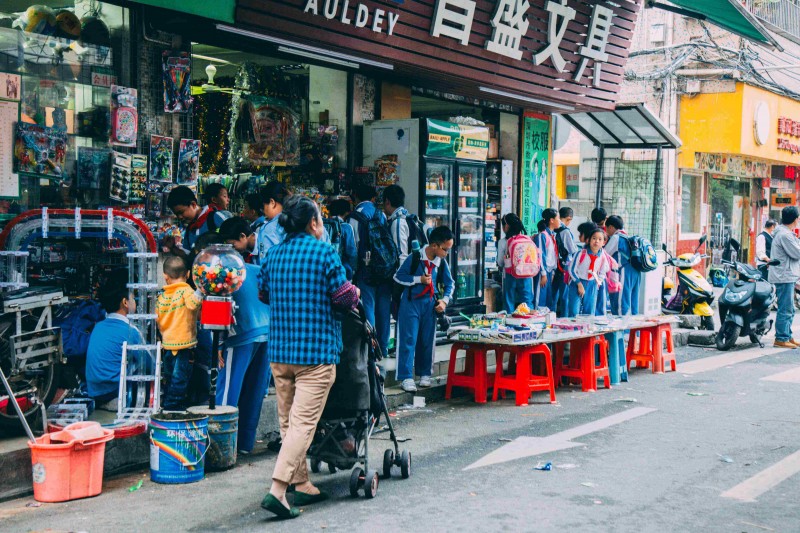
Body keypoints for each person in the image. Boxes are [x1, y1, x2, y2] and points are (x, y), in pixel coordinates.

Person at [258, 195, 359, 519]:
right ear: (314, 223)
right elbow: (344, 300)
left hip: (281, 352)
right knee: (302, 425)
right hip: (315, 354)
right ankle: (278, 489)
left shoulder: (273, 255)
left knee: (289, 423)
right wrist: (354, 292)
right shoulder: (324, 253)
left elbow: (264, 293)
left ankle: (301, 483)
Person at [217, 242, 271, 455]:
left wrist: (219, 345)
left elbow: (221, 312)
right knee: (254, 390)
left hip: (241, 336)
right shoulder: (256, 269)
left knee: (229, 390)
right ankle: (246, 444)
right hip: (267, 331)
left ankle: (221, 442)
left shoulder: (222, 275)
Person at [393, 226, 455, 392]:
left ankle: (425, 373)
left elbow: (450, 284)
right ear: (434, 245)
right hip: (410, 303)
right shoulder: (414, 257)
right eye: (445, 249)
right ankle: (406, 376)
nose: (447, 253)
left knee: (427, 340)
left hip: (429, 304)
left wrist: (445, 301)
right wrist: (418, 279)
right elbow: (398, 277)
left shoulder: (441, 263)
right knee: (408, 339)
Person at [86, 271, 143, 409]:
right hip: (116, 395)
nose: (135, 301)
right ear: (125, 302)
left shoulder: (98, 327)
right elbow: (149, 365)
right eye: (133, 298)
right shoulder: (131, 331)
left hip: (95, 393)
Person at [349, 183, 394, 358]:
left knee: (368, 306)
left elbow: (354, 246)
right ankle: (383, 347)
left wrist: (353, 270)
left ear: (355, 197)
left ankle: (371, 349)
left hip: (365, 268)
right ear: (374, 198)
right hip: (383, 267)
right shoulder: (380, 214)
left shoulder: (355, 216)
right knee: (384, 308)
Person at [156, 256, 203, 410]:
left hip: (168, 344)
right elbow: (192, 304)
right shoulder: (186, 290)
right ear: (188, 274)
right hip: (184, 345)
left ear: (165, 277)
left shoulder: (162, 296)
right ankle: (172, 407)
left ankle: (169, 403)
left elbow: (158, 319)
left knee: (170, 377)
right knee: (180, 379)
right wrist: (200, 289)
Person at [164, 185, 232, 258]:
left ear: (193, 204)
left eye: (181, 212)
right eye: (176, 214)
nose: (179, 217)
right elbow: (188, 256)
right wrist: (172, 247)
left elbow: (236, 242)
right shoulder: (190, 229)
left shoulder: (216, 217)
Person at [769, 206, 800, 348]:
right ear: (795, 219)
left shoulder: (785, 233)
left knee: (790, 308)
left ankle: (787, 335)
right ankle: (781, 338)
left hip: (787, 275)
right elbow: (797, 253)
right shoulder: (785, 235)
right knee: (785, 308)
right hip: (784, 275)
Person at [566, 226, 615, 317]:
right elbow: (572, 270)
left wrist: (597, 283)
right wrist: (579, 284)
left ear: (604, 242)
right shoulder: (581, 253)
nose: (596, 241)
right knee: (574, 311)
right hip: (577, 283)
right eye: (594, 238)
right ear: (589, 240)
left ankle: (586, 330)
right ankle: (574, 330)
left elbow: (603, 271)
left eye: (600, 239)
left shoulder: (603, 257)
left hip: (592, 284)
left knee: (589, 312)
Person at [497, 214, 534, 313]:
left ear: (506, 226)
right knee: (527, 300)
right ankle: (529, 323)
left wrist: (500, 266)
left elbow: (500, 262)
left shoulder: (503, 242)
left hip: (510, 275)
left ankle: (510, 323)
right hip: (527, 274)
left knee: (509, 300)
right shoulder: (527, 239)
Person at [384, 184, 426, 266]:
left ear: (387, 201)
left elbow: (401, 254)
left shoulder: (398, 223)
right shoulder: (411, 218)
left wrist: (401, 276)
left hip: (405, 273)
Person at [605, 215, 639, 316]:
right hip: (636, 271)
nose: (607, 231)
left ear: (611, 227)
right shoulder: (628, 237)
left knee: (622, 302)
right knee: (633, 302)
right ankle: (634, 330)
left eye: (607, 229)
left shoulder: (616, 237)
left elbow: (605, 254)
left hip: (625, 271)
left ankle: (622, 330)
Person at [553, 207, 578, 316]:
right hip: (565, 267)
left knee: (554, 294)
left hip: (555, 266)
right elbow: (572, 250)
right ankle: (564, 318)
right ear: (569, 219)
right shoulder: (565, 232)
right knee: (564, 295)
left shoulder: (553, 229)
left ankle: (551, 316)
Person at [257, 181, 290, 265]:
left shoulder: (268, 229)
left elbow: (265, 263)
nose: (264, 211)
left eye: (264, 206)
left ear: (272, 202)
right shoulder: (307, 221)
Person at [535, 208, 560, 311]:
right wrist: (543, 273)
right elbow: (540, 256)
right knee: (540, 299)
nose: (560, 221)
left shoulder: (552, 235)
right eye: (558, 218)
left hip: (550, 272)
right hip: (543, 273)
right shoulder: (542, 236)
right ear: (551, 220)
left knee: (547, 300)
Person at [327, 199, 358, 280]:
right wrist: (354, 269)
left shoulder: (324, 225)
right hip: (343, 270)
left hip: (326, 268)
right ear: (346, 212)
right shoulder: (346, 227)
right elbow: (351, 252)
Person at [590, 207, 609, 315]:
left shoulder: (592, 231)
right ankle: (600, 315)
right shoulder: (606, 232)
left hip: (592, 267)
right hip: (602, 266)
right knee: (602, 292)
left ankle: (594, 314)